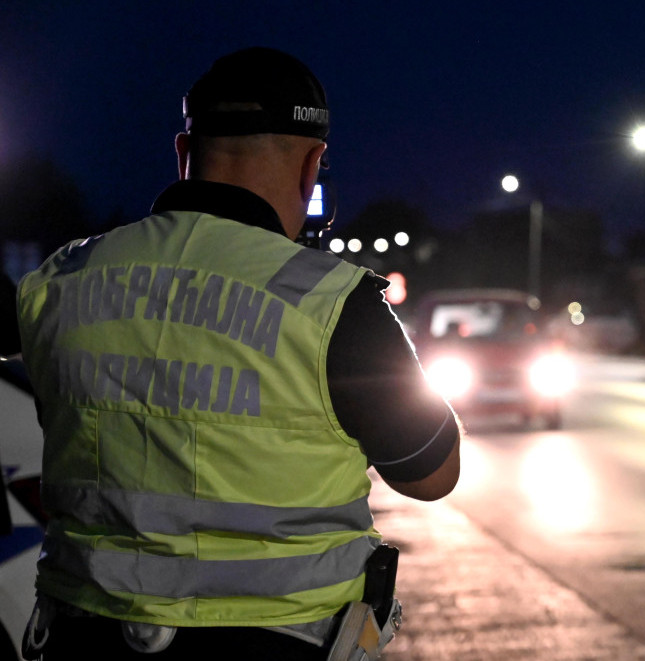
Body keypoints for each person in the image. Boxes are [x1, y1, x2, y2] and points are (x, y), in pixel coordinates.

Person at [13, 47, 461, 660]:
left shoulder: (60, 281)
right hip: (279, 644)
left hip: (81, 642)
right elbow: (432, 473)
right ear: (313, 166)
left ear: (183, 153)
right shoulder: (333, 305)